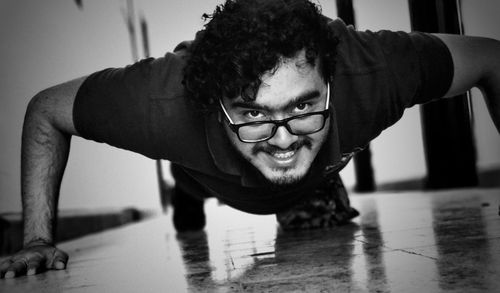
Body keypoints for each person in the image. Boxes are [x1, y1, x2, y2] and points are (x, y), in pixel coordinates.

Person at [1, 0, 499, 279]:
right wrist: (38, 239)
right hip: (208, 176)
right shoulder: (157, 102)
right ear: (216, 104)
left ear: (331, 80)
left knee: (310, 199)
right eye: (254, 113)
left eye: (303, 105)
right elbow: (46, 110)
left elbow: (491, 58)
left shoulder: (377, 69)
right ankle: (189, 188)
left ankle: (317, 186)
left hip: (318, 173)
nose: (282, 138)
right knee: (195, 182)